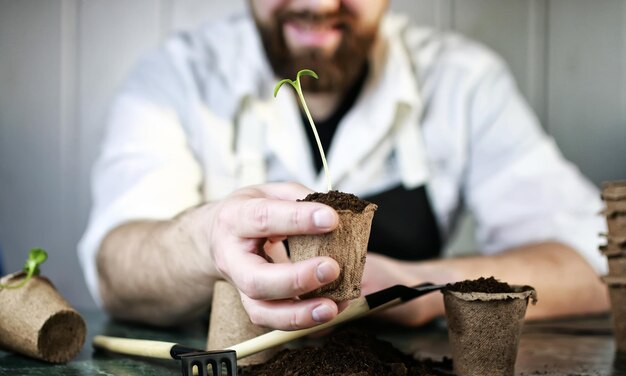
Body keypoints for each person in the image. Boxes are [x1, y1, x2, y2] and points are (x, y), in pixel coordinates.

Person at [79, 0, 609, 329]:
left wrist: (417, 288)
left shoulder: (461, 81)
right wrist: (208, 240)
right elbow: (115, 270)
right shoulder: (177, 78)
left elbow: (597, 264)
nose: (319, 3)